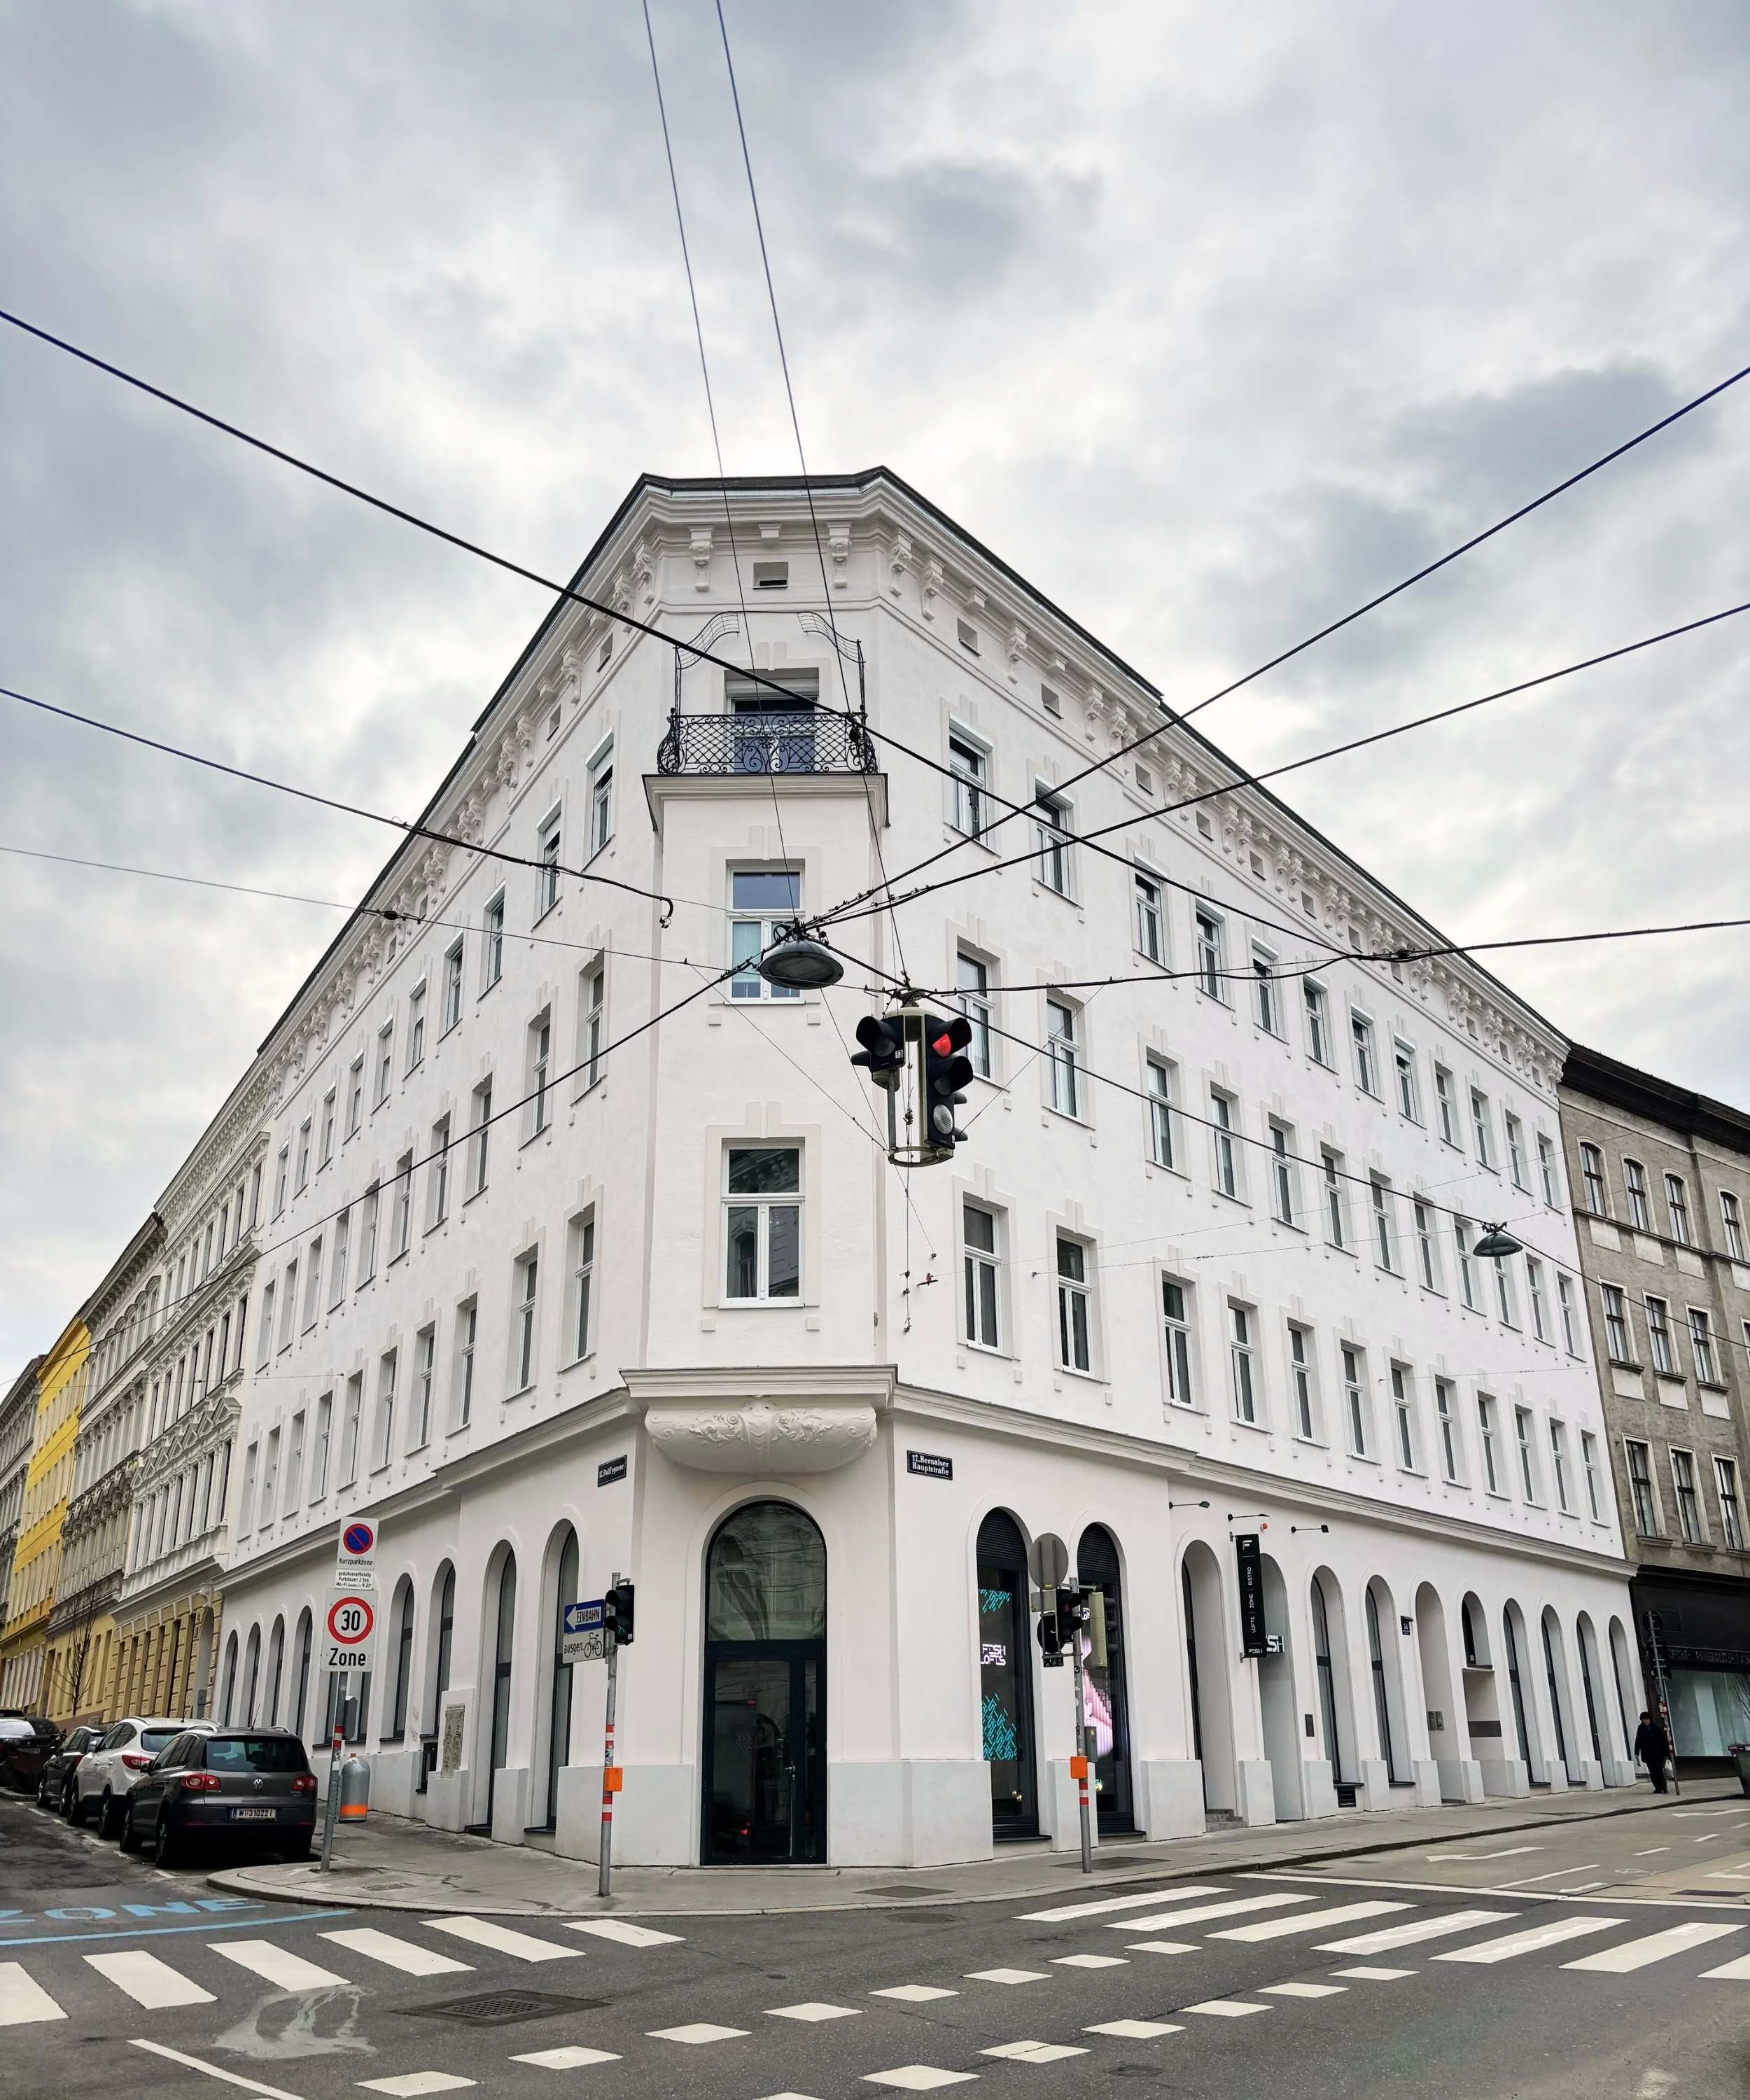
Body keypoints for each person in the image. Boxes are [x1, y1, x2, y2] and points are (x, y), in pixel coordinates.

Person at [1634, 1709, 1671, 1793]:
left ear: (1650, 1719)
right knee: (1652, 1772)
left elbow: (1662, 1741)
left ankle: (1664, 1787)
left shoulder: (1655, 1727)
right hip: (1647, 1754)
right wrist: (1636, 1753)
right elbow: (1638, 1741)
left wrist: (1666, 1754)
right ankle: (1658, 1787)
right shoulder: (1641, 1728)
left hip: (1658, 1754)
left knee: (1659, 1770)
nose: (1646, 1721)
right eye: (1644, 1720)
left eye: (1647, 1720)